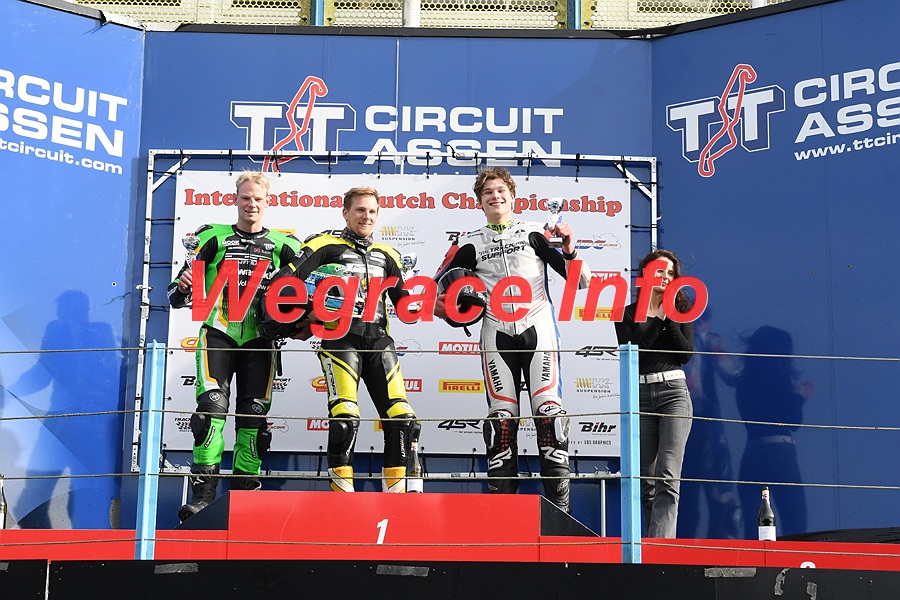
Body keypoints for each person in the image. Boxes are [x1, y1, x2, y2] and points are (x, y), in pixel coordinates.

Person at [433, 167, 591, 513]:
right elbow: (432, 292)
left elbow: (581, 282)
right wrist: (445, 309)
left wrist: (570, 249)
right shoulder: (468, 243)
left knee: (550, 416)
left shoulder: (535, 232)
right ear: (479, 201)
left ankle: (560, 513)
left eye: (501, 190)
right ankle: (502, 518)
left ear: (512, 196)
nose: (495, 196)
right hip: (495, 332)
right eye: (488, 192)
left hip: (539, 327)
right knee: (500, 422)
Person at [260, 186, 419, 493]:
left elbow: (405, 305)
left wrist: (441, 302)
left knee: (403, 418)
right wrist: (303, 314)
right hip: (339, 339)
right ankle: (342, 495)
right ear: (346, 213)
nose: (366, 216)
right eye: (360, 210)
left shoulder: (388, 255)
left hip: (380, 341)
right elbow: (284, 282)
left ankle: (397, 497)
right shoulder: (323, 245)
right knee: (345, 417)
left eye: (372, 211)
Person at [168, 171, 301, 522]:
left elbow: (306, 294)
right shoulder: (210, 237)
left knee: (253, 417)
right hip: (219, 334)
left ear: (267, 202)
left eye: (258, 198)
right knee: (210, 412)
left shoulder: (286, 246)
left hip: (261, 339)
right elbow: (175, 296)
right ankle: (203, 498)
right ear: (235, 199)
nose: (251, 204)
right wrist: (184, 286)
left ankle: (245, 498)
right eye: (245, 197)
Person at [614, 249, 695, 538]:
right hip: (640, 395)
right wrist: (658, 320)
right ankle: (651, 547)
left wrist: (668, 317)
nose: (665, 276)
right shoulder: (626, 313)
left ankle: (661, 549)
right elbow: (634, 354)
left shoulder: (682, 310)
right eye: (660, 270)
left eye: (671, 273)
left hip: (674, 394)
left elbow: (685, 354)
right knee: (645, 480)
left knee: (668, 476)